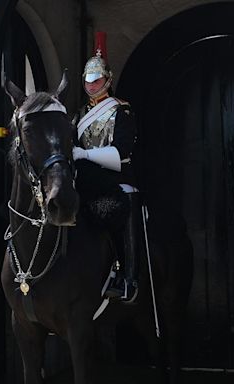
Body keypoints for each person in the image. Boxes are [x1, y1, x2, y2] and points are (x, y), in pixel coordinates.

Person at [72, 33, 140, 303]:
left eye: (97, 80)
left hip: (115, 177)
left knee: (123, 206)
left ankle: (127, 276)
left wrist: (85, 153)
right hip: (86, 179)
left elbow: (122, 152)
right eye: (88, 81)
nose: (92, 85)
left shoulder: (121, 112)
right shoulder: (78, 115)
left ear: (108, 81)